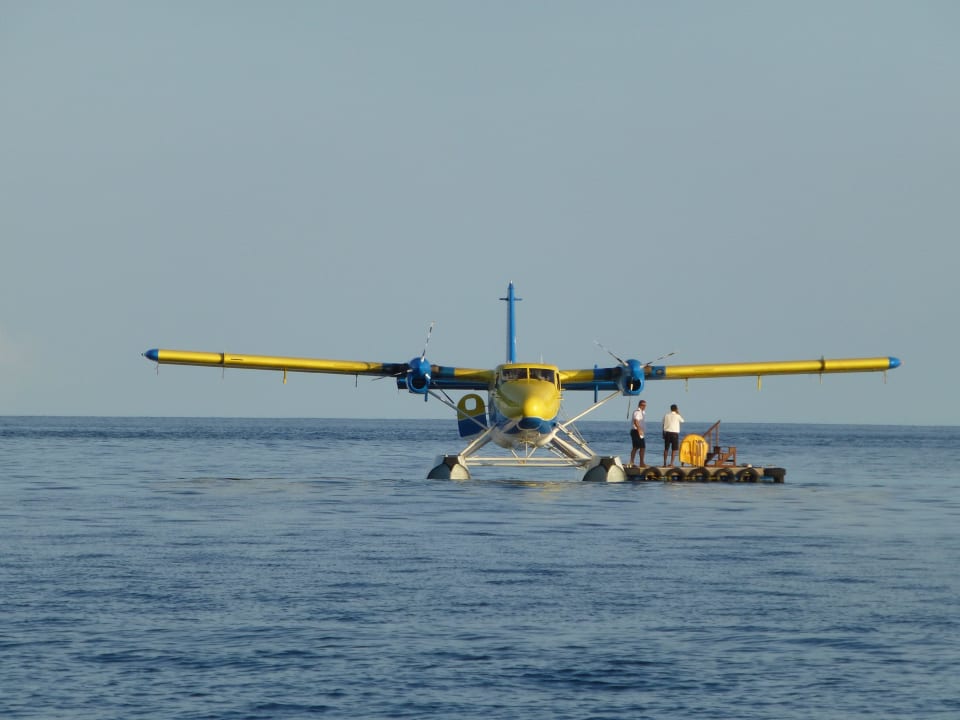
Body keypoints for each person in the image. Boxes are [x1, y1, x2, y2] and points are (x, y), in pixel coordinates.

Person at [629, 400, 647, 466]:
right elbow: (636, 421)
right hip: (636, 431)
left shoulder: (643, 412)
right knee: (636, 447)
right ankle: (632, 462)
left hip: (640, 431)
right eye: (643, 405)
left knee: (642, 447)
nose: (645, 406)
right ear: (640, 405)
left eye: (645, 405)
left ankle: (641, 462)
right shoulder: (637, 412)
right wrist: (639, 430)